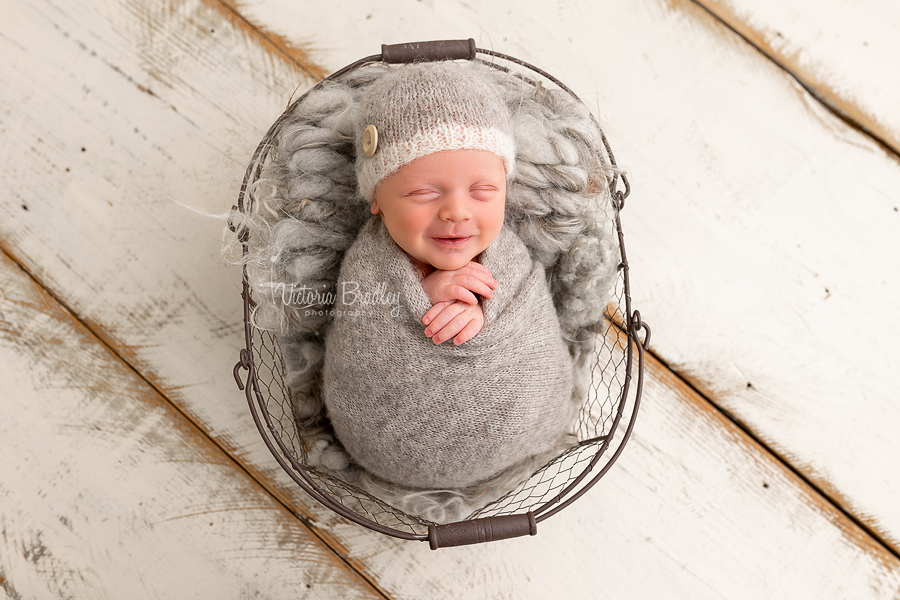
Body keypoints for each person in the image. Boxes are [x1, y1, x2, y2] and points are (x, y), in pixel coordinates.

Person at [321, 60, 576, 493]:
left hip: (524, 423)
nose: (457, 212)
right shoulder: (368, 265)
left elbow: (529, 320)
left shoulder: (507, 255)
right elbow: (361, 333)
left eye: (483, 192)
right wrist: (421, 297)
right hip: (392, 444)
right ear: (377, 199)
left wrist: (482, 318)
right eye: (424, 192)